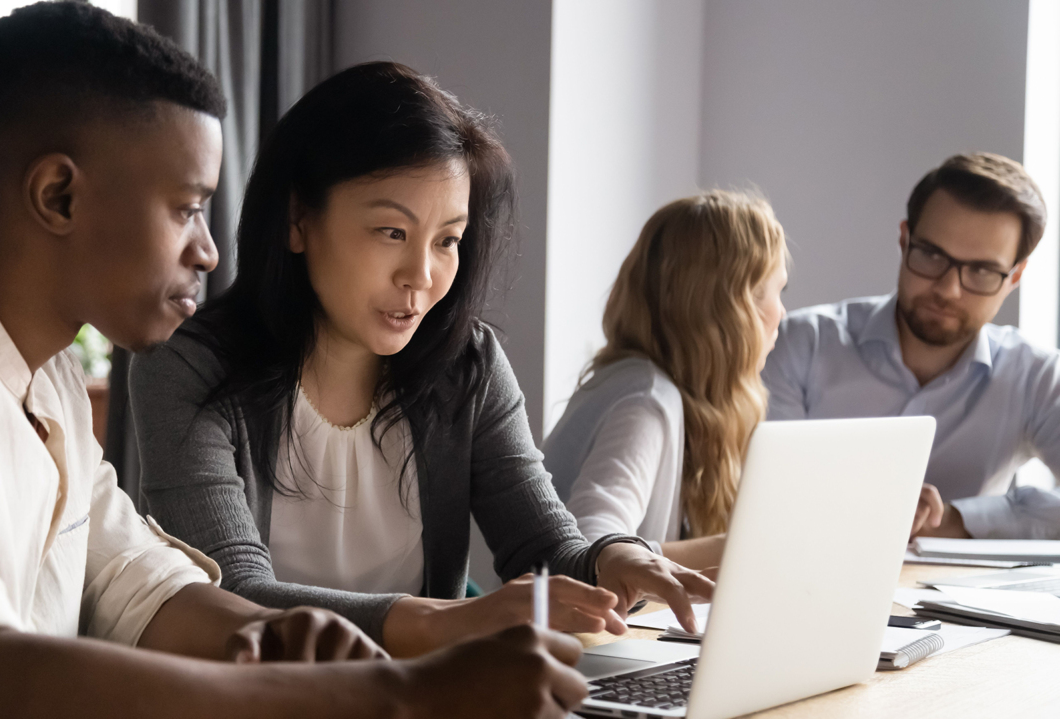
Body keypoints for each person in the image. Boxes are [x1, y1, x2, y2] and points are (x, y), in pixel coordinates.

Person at [0, 5, 593, 719]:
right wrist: (405, 696)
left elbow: (145, 587)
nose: (208, 250)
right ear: (58, 195)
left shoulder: (46, 376)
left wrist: (283, 637)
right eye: (187, 207)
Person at [129, 61, 714, 661]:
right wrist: (447, 622)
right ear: (298, 220)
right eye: (391, 232)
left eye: (447, 240)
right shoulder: (188, 367)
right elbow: (236, 602)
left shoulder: (469, 365)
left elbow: (542, 545)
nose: (422, 276)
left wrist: (611, 558)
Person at [763, 152, 1060, 540]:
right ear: (905, 240)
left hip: (963, 598)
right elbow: (770, 502)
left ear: (1015, 276)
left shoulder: (1036, 376)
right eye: (933, 255)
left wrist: (953, 519)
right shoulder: (802, 344)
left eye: (982, 271)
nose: (949, 289)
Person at [543, 192, 789, 571]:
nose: (781, 313)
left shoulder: (643, 384)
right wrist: (734, 548)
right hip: (565, 630)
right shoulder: (646, 401)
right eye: (777, 292)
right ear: (732, 310)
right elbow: (590, 549)